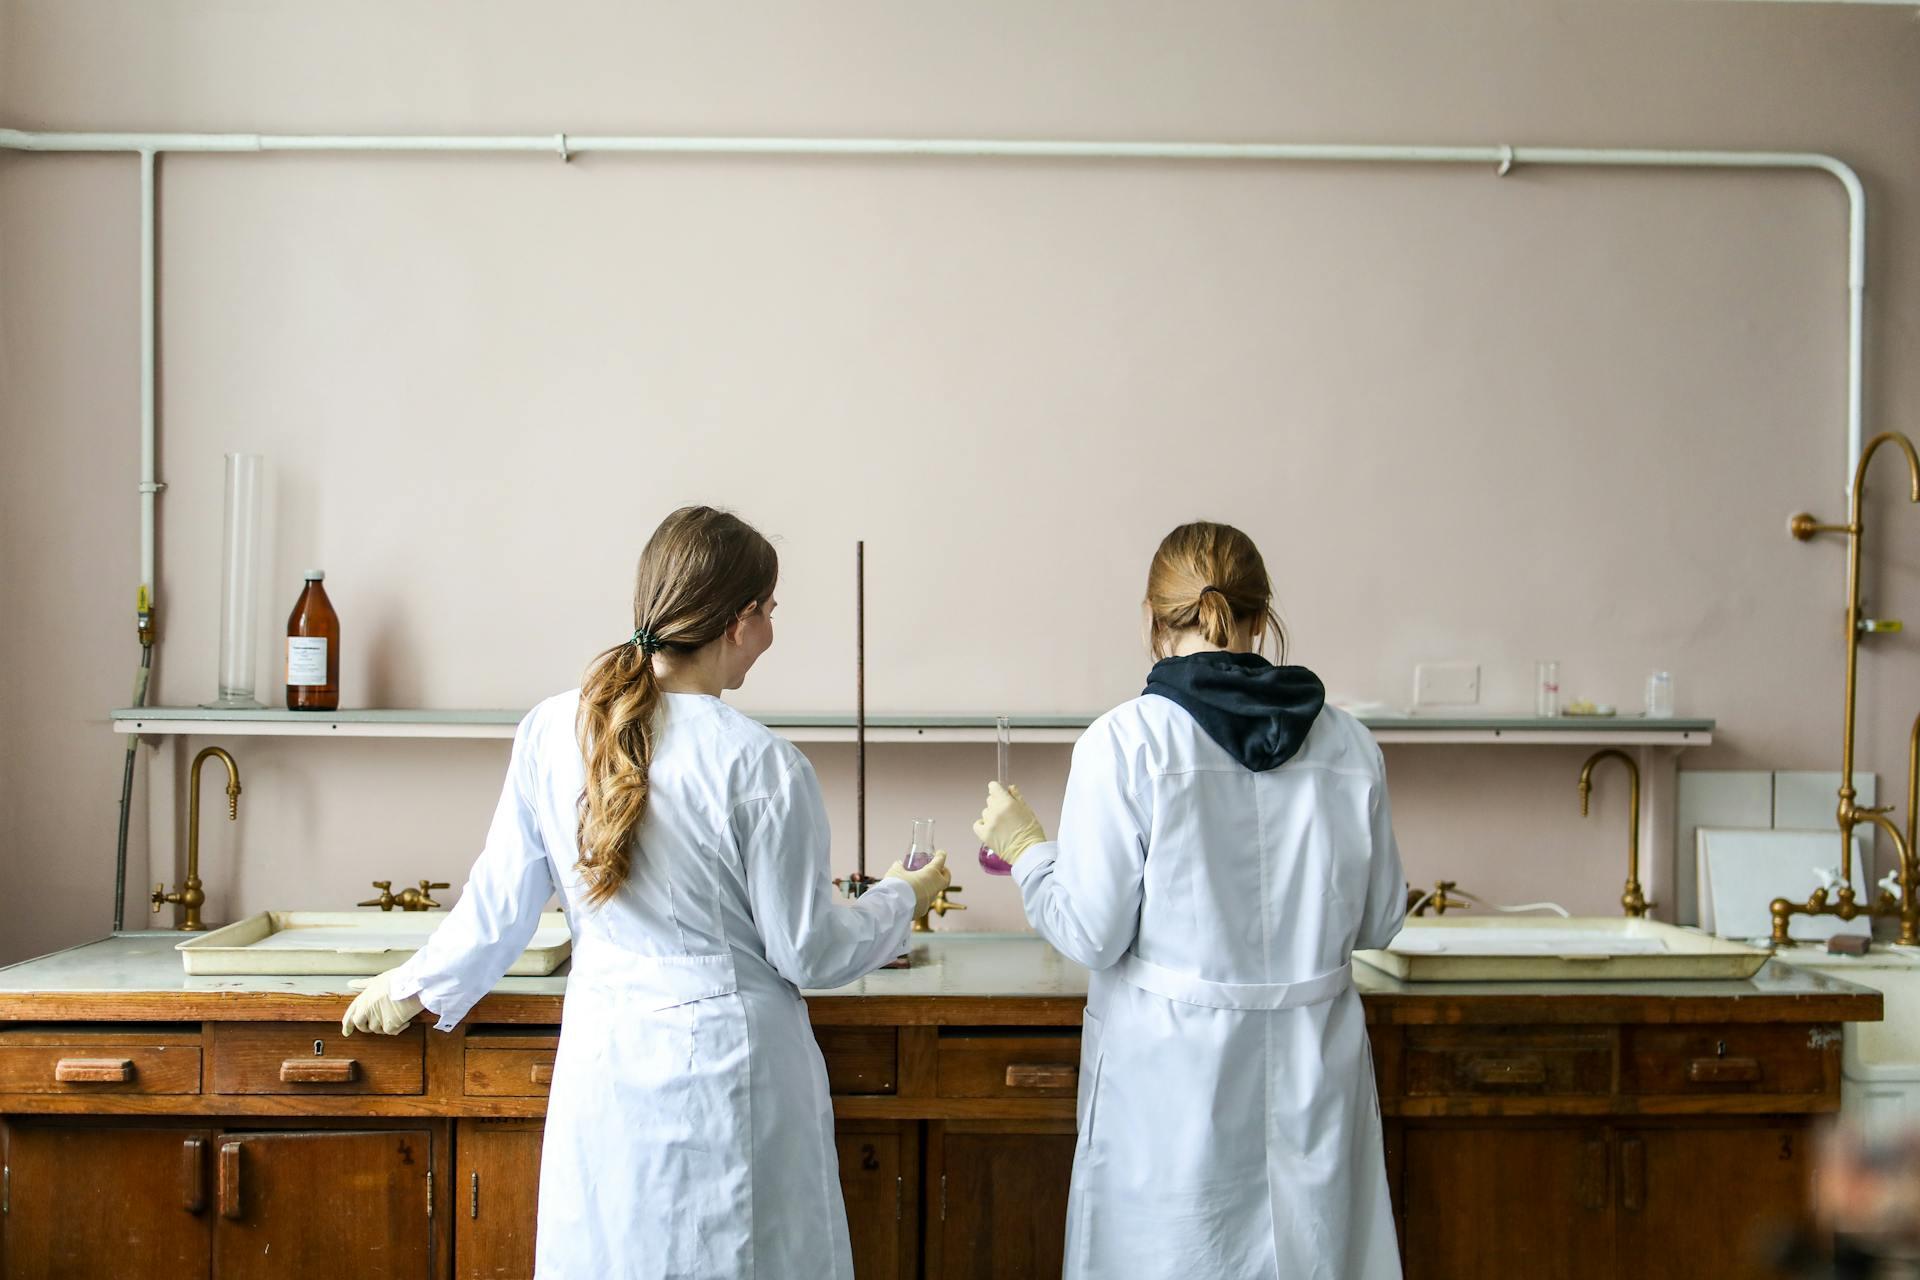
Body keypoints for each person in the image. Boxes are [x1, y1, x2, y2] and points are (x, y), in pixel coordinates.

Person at [342, 505, 950, 1279]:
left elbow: (501, 903)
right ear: (740, 621)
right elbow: (810, 952)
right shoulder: (761, 765)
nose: (770, 632)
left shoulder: (552, 730)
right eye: (770, 611)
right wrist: (901, 898)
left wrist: (414, 984)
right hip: (730, 1068)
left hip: (609, 1062)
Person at [974, 520, 1405, 1280]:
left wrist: (1027, 850)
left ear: (1152, 620)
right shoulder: (1347, 745)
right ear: (1261, 618)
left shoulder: (1126, 742)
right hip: (1313, 1078)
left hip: (1171, 1088)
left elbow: (1091, 932)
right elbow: (1377, 920)